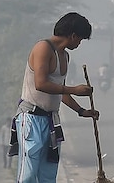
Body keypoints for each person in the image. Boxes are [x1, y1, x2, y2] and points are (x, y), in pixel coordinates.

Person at [13, 12, 99, 183]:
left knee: (48, 175)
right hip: (31, 119)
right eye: (80, 39)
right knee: (28, 175)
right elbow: (41, 83)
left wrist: (81, 111)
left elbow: (60, 92)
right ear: (73, 36)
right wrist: (74, 89)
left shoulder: (65, 56)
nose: (79, 43)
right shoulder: (43, 48)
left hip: (50, 121)